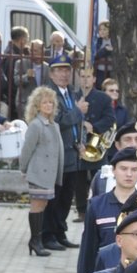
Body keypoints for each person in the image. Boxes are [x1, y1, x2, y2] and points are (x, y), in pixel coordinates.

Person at [38, 52, 86, 249]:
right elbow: (58, 121)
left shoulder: (73, 93)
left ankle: (60, 232)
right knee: (54, 197)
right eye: (59, 70)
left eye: (67, 70)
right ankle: (47, 235)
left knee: (67, 197)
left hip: (73, 153)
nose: (64, 74)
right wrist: (78, 111)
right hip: (56, 154)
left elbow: (80, 124)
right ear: (51, 74)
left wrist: (82, 141)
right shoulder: (48, 95)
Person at [18, 86, 63, 257]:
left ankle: (36, 239)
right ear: (37, 105)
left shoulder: (53, 124)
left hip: (49, 174)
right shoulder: (36, 125)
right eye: (44, 102)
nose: (48, 105)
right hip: (38, 172)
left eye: (51, 102)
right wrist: (23, 169)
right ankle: (35, 241)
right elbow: (27, 150)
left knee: (43, 204)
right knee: (37, 205)